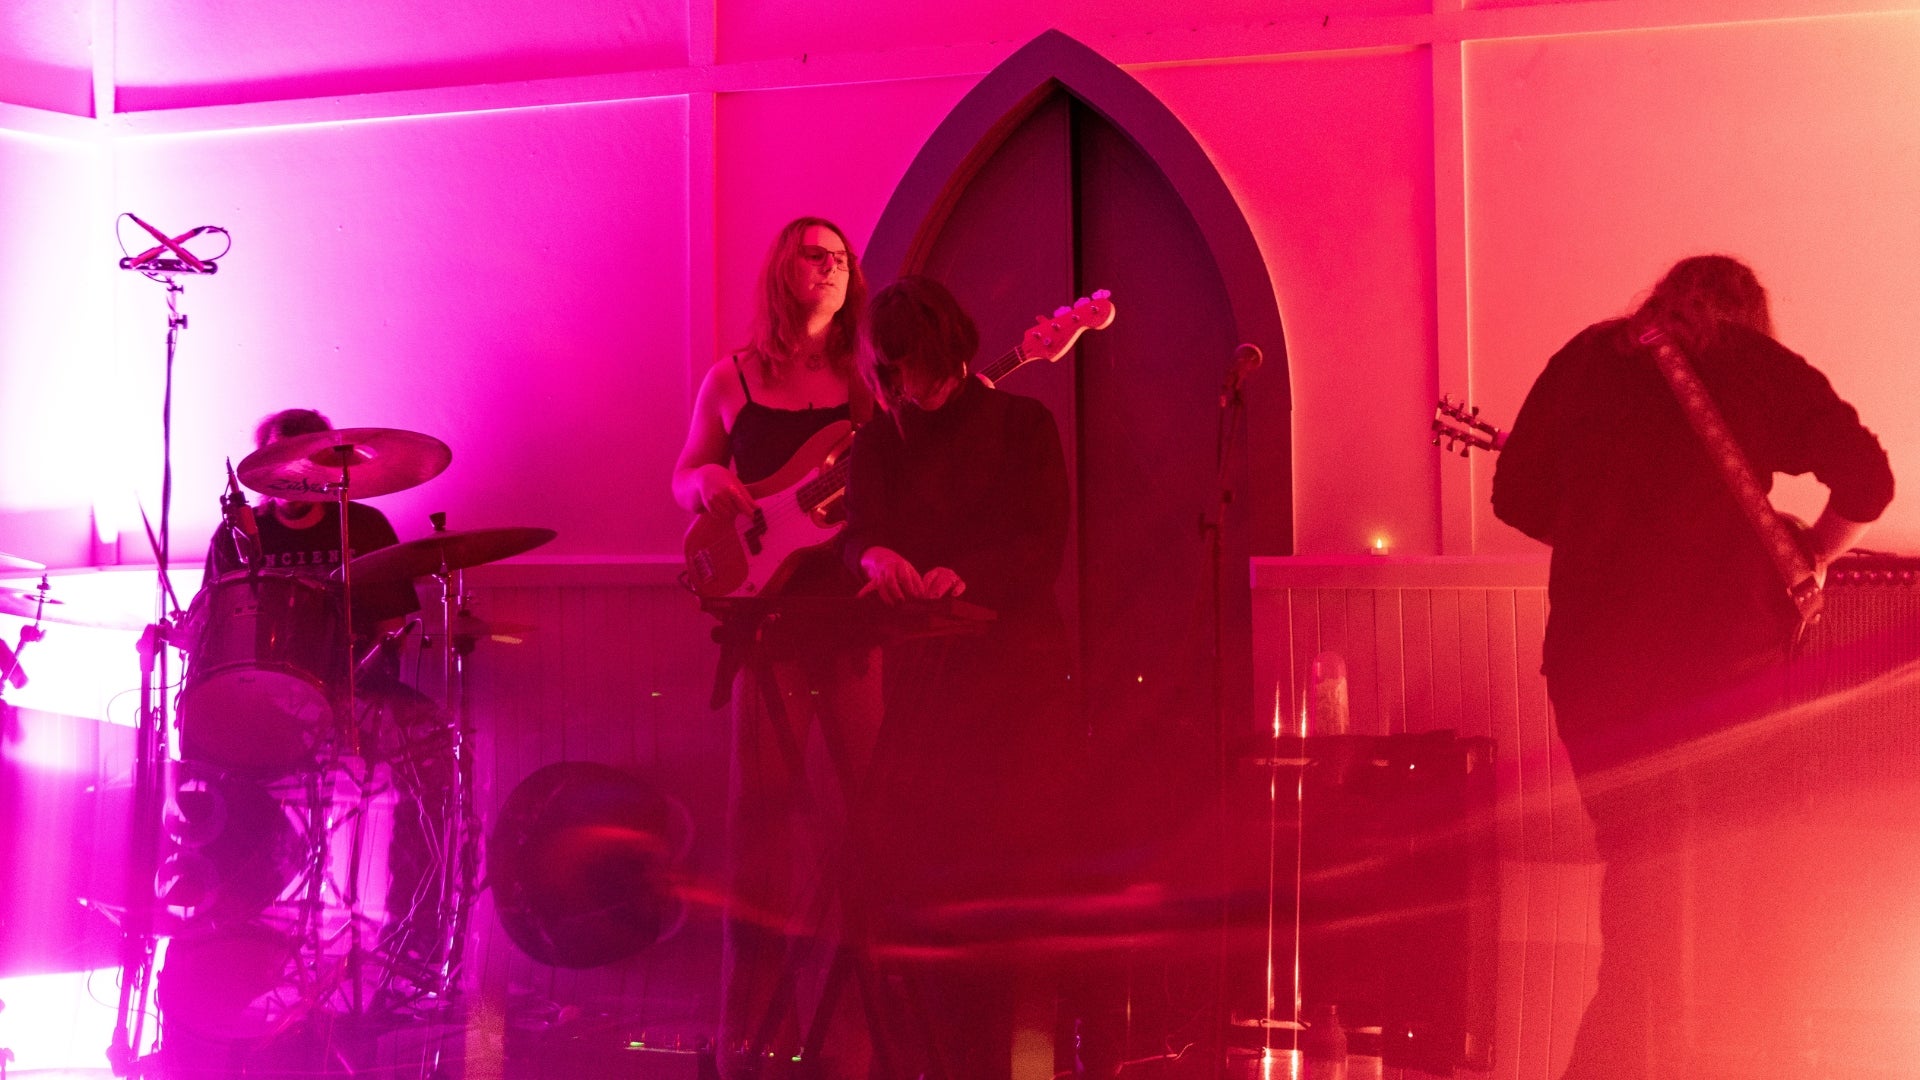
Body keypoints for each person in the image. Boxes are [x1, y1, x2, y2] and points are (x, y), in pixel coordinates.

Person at [1492, 255, 1894, 1079]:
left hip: (1594, 666)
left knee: (1639, 867)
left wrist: (1612, 531)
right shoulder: (1759, 365)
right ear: (1751, 314)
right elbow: (1870, 481)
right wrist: (1812, 548)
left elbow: (1515, 495)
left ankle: (1621, 1060)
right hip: (1725, 664)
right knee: (1728, 874)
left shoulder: (1587, 359)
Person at [841, 275, 1073, 1079]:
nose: (909, 390)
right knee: (918, 873)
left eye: (920, 372)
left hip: (1016, 683)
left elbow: (1042, 544)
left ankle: (998, 1055)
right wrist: (875, 556)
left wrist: (962, 575)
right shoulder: (881, 440)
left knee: (1001, 878)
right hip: (924, 687)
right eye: (894, 374)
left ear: (951, 356)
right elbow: (860, 529)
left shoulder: (1021, 423)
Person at [671, 217, 879, 1079]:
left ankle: (851, 1042)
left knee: (859, 812)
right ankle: (750, 1038)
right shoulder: (734, 377)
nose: (829, 269)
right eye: (812, 256)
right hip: (767, 620)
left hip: (853, 613)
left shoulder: (869, 381)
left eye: (841, 259)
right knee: (767, 822)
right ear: (782, 270)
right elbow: (683, 475)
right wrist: (709, 482)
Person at [204, 407, 418, 634]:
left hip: (352, 666)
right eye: (279, 459)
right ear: (262, 465)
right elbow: (211, 624)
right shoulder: (235, 532)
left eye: (302, 461)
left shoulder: (367, 525)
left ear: (325, 464)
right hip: (259, 665)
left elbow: (392, 630)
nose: (291, 471)